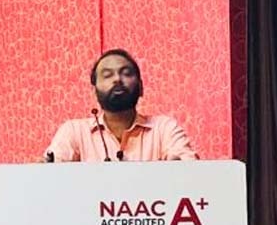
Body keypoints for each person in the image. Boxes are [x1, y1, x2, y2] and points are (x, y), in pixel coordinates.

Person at [44, 49, 197, 162]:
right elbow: (50, 175)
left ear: (141, 87)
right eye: (107, 75)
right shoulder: (74, 131)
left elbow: (190, 170)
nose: (117, 79)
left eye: (126, 73)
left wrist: (178, 166)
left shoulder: (164, 128)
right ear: (94, 91)